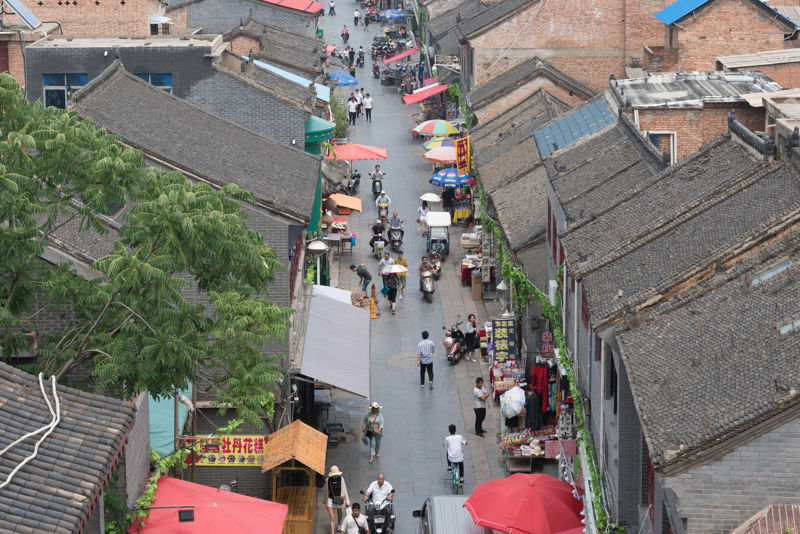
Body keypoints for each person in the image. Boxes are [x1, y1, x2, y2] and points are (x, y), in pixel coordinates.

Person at [326, 466, 350, 534]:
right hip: (330, 500)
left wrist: (347, 501)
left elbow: (345, 490)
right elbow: (326, 491)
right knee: (332, 517)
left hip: (339, 500)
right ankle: (332, 532)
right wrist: (325, 501)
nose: (336, 475)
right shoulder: (328, 480)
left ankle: (339, 525)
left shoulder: (341, 479)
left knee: (339, 515)